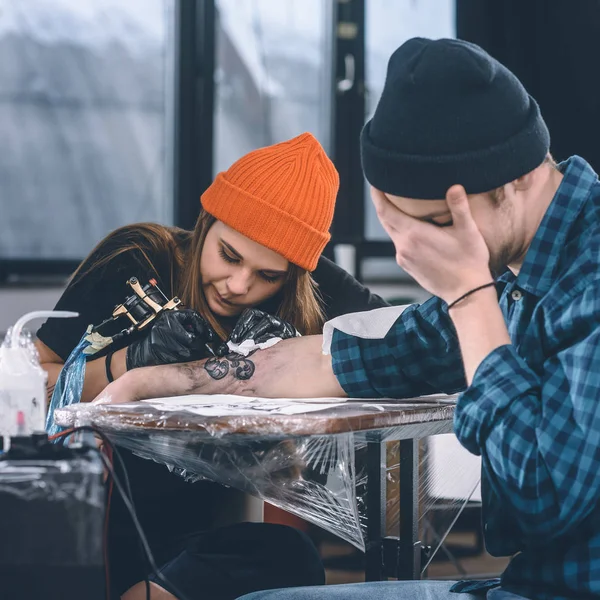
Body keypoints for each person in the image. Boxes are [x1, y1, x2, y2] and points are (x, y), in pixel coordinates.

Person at [101, 37, 600, 600]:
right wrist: (164, 377)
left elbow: (545, 498)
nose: (421, 254)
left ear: (515, 181)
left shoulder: (581, 277)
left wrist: (468, 296)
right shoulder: (516, 273)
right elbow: (361, 355)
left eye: (438, 223)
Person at [36, 132, 388, 599]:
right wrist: (128, 363)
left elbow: (399, 336)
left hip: (210, 527)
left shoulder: (311, 288)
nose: (239, 285)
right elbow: (37, 381)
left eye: (268, 276)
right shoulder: (137, 260)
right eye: (229, 255)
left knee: (293, 557)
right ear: (207, 220)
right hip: (102, 505)